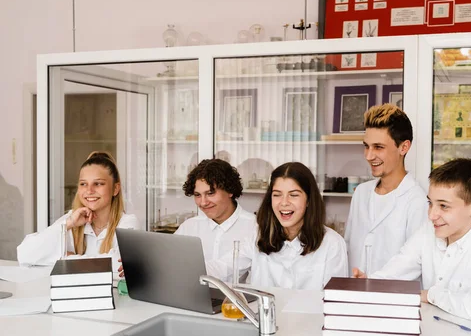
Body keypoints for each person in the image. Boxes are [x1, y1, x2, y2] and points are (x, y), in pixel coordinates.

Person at [353, 159, 471, 326]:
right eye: (430, 203)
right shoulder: (428, 232)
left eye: (443, 206)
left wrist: (431, 295)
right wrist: (370, 282)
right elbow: (394, 272)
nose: (432, 215)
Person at [210, 162, 348, 290]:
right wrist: (192, 268)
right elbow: (223, 267)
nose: (283, 203)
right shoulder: (258, 235)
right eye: (277, 195)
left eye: (293, 195)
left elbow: (335, 301)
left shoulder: (332, 243)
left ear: (309, 200)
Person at [17, 152, 139, 275]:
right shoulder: (72, 219)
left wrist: (65, 259)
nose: (89, 191)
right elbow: (25, 254)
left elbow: (119, 267)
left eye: (98, 184)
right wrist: (68, 224)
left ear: (115, 189)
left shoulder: (128, 223)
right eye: (83, 184)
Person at [345, 103, 428, 275]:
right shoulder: (361, 193)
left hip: (393, 298)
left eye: (378, 147)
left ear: (403, 147)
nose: (369, 156)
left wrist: (372, 282)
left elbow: (414, 262)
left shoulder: (417, 201)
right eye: (366, 146)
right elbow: (348, 247)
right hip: (354, 295)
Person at [175, 158, 256, 282]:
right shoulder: (189, 227)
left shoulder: (254, 227)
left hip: (233, 300)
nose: (203, 202)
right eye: (197, 195)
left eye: (210, 193)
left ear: (230, 191)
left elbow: (224, 269)